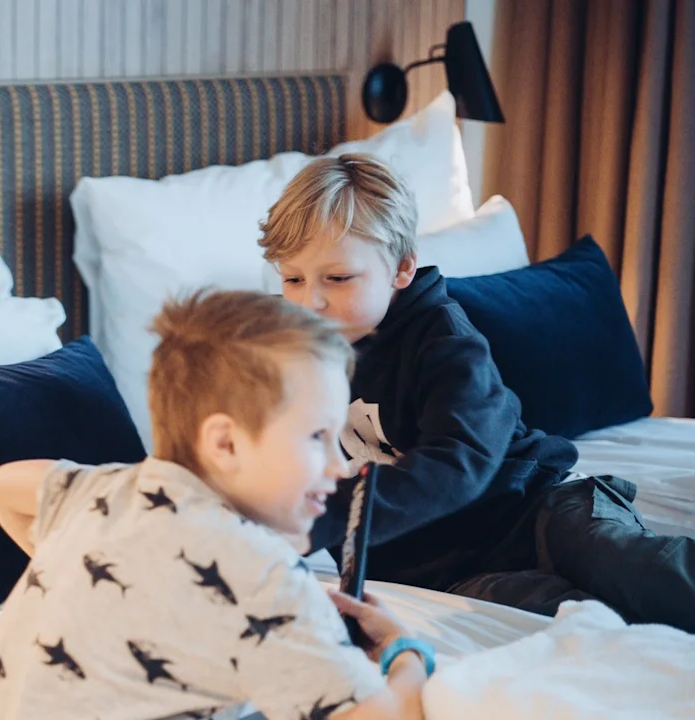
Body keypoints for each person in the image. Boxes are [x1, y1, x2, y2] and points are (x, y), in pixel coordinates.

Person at [259, 152, 695, 633]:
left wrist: (330, 517)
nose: (310, 301)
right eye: (292, 279)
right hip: (451, 569)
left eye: (338, 278)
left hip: (536, 507)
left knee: (632, 570)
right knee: (577, 622)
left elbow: (459, 457)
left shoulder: (444, 339)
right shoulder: (291, 355)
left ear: (402, 269)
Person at [0, 290, 432, 720]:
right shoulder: (265, 577)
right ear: (225, 444)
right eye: (316, 437)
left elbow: (1, 485)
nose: (339, 465)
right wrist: (403, 651)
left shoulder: (102, 491)